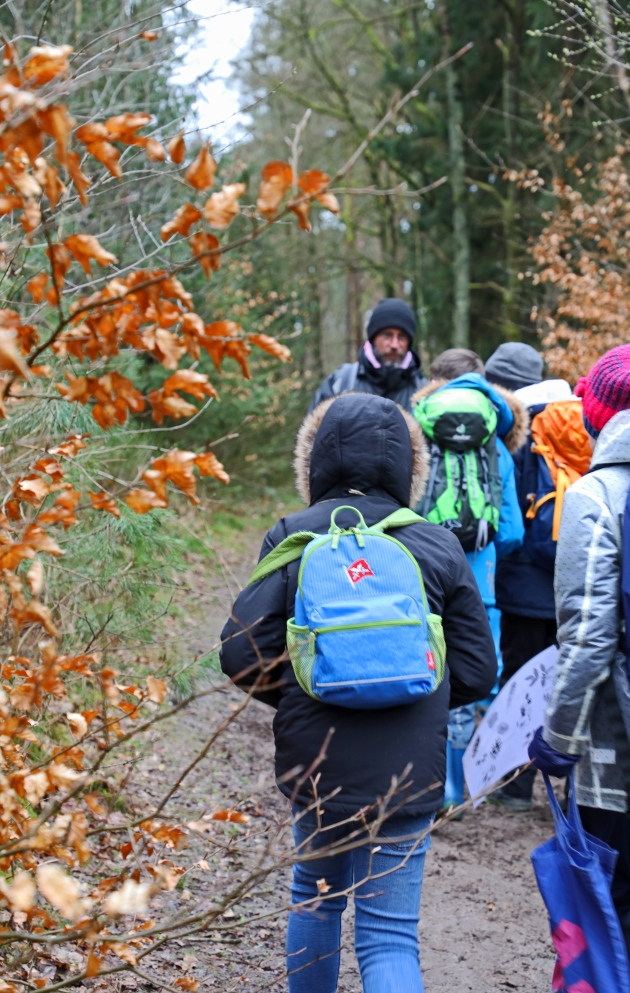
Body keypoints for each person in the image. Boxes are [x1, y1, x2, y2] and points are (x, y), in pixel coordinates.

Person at [220, 392, 496, 993]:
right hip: (409, 770)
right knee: (389, 934)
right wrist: (416, 692)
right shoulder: (436, 544)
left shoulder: (294, 536)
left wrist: (309, 684)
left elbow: (241, 652)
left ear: (315, 461)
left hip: (318, 765)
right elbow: (478, 669)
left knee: (315, 903)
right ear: (408, 465)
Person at [529, 343, 630, 960]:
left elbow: (586, 641)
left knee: (605, 914)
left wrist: (557, 741)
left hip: (622, 750)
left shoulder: (594, 495)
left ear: (598, 415)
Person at [412, 348, 528, 808]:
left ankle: (419, 775)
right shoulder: (496, 441)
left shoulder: (419, 429)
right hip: (478, 581)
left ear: (435, 383)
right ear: (483, 383)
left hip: (422, 573)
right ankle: (453, 788)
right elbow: (514, 530)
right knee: (465, 676)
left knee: (425, 666)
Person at [486, 342, 583, 811]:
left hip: (525, 580)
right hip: (574, 578)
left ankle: (516, 786)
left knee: (521, 681)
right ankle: (575, 790)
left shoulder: (515, 426)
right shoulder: (579, 418)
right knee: (570, 682)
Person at [307, 297, 427, 413]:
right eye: (387, 335)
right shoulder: (341, 382)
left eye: (402, 336)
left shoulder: (424, 392)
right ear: (373, 338)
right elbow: (313, 430)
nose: (394, 345)